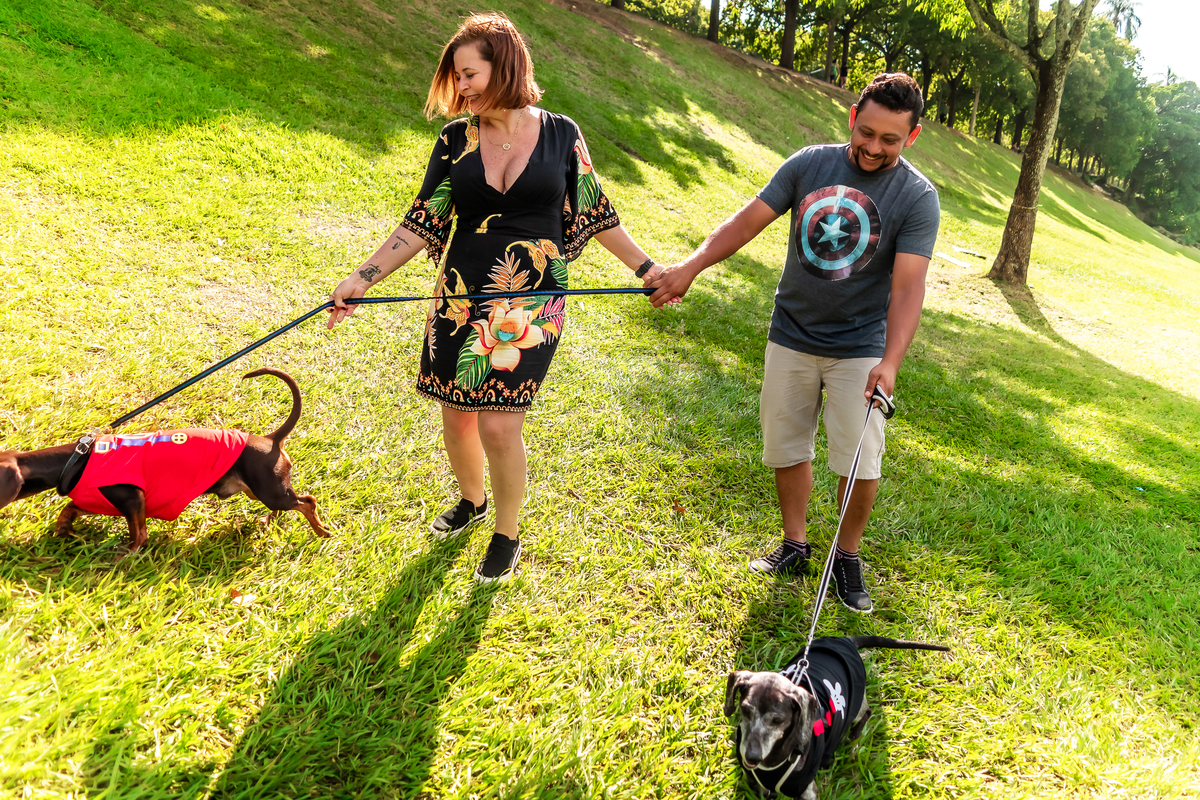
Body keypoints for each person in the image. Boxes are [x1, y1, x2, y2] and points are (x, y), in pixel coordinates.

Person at [327, 12, 660, 583]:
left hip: (531, 300)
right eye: (457, 78)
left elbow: (597, 212)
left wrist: (649, 268)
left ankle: (506, 532)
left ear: (504, 65)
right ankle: (472, 500)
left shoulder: (561, 134)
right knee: (456, 415)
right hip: (460, 294)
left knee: (499, 423)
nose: (462, 87)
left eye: (469, 74)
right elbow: (421, 222)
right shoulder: (455, 139)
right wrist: (363, 276)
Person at [648, 72, 940, 613]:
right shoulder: (809, 163)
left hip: (860, 347)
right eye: (867, 132)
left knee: (860, 461)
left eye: (890, 140)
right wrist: (690, 267)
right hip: (791, 334)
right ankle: (795, 544)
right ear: (854, 117)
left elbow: (908, 288)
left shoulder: (917, 197)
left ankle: (845, 557)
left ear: (912, 137)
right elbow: (746, 222)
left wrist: (891, 362)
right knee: (787, 445)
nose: (874, 148)